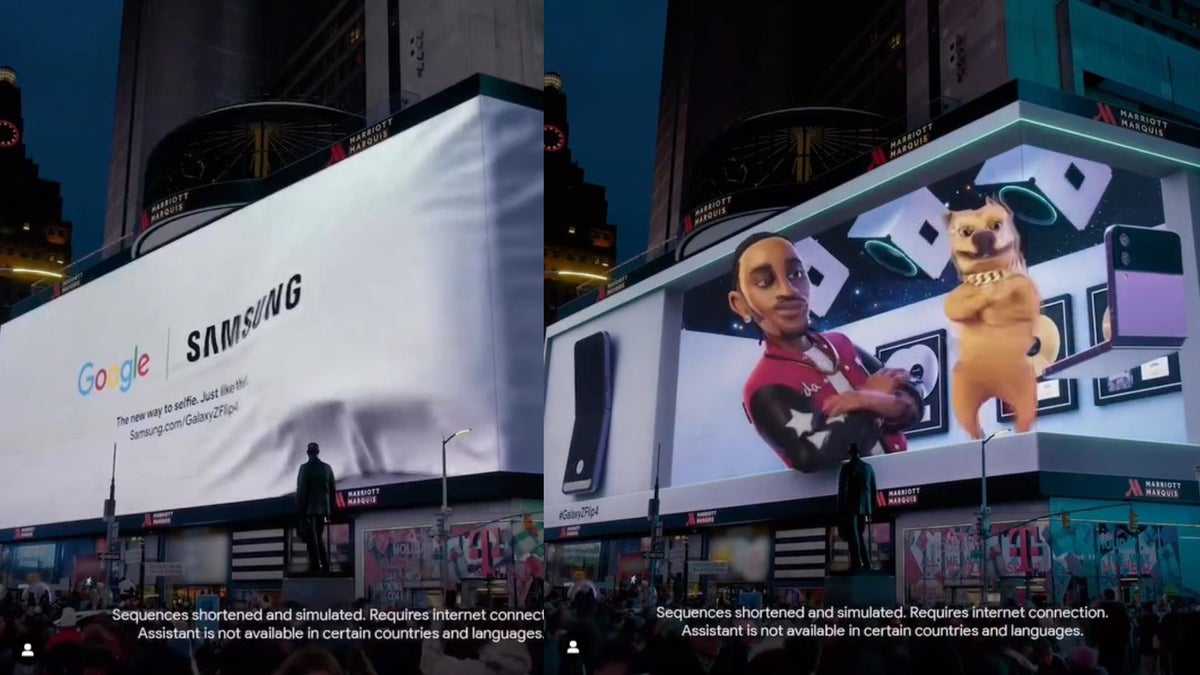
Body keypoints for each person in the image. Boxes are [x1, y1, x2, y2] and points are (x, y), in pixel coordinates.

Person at [728, 232, 924, 472]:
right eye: (764, 282)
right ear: (740, 304)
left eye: (796, 274)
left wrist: (884, 402)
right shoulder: (764, 384)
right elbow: (812, 453)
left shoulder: (841, 344)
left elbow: (912, 395)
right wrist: (874, 400)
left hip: (909, 484)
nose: (788, 290)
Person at [295, 441, 337, 572]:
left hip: (310, 510)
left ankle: (316, 565)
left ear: (308, 453)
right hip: (324, 510)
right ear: (318, 452)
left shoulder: (305, 468)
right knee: (317, 537)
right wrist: (331, 510)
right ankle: (324, 565)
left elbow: (301, 490)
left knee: (313, 538)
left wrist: (300, 511)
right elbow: (332, 490)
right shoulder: (327, 468)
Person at [836, 443, 876, 570]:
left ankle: (856, 564)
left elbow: (843, 490)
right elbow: (874, 490)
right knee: (858, 535)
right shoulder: (868, 468)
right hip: (865, 508)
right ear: (859, 453)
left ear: (850, 453)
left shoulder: (846, 468)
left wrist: (841, 510)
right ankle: (867, 563)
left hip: (850, 508)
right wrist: (871, 509)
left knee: (854, 536)